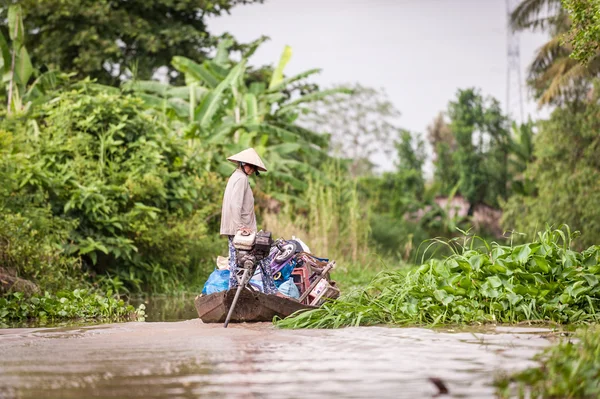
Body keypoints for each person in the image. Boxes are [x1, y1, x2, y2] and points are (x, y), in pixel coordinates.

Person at [219, 148, 277, 294]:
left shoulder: (236, 177)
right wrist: (240, 226)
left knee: (235, 261)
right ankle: (270, 291)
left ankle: (234, 290)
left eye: (253, 167)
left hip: (237, 228)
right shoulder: (241, 179)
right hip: (241, 229)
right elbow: (235, 204)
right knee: (262, 255)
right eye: (250, 166)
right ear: (243, 164)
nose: (252, 169)